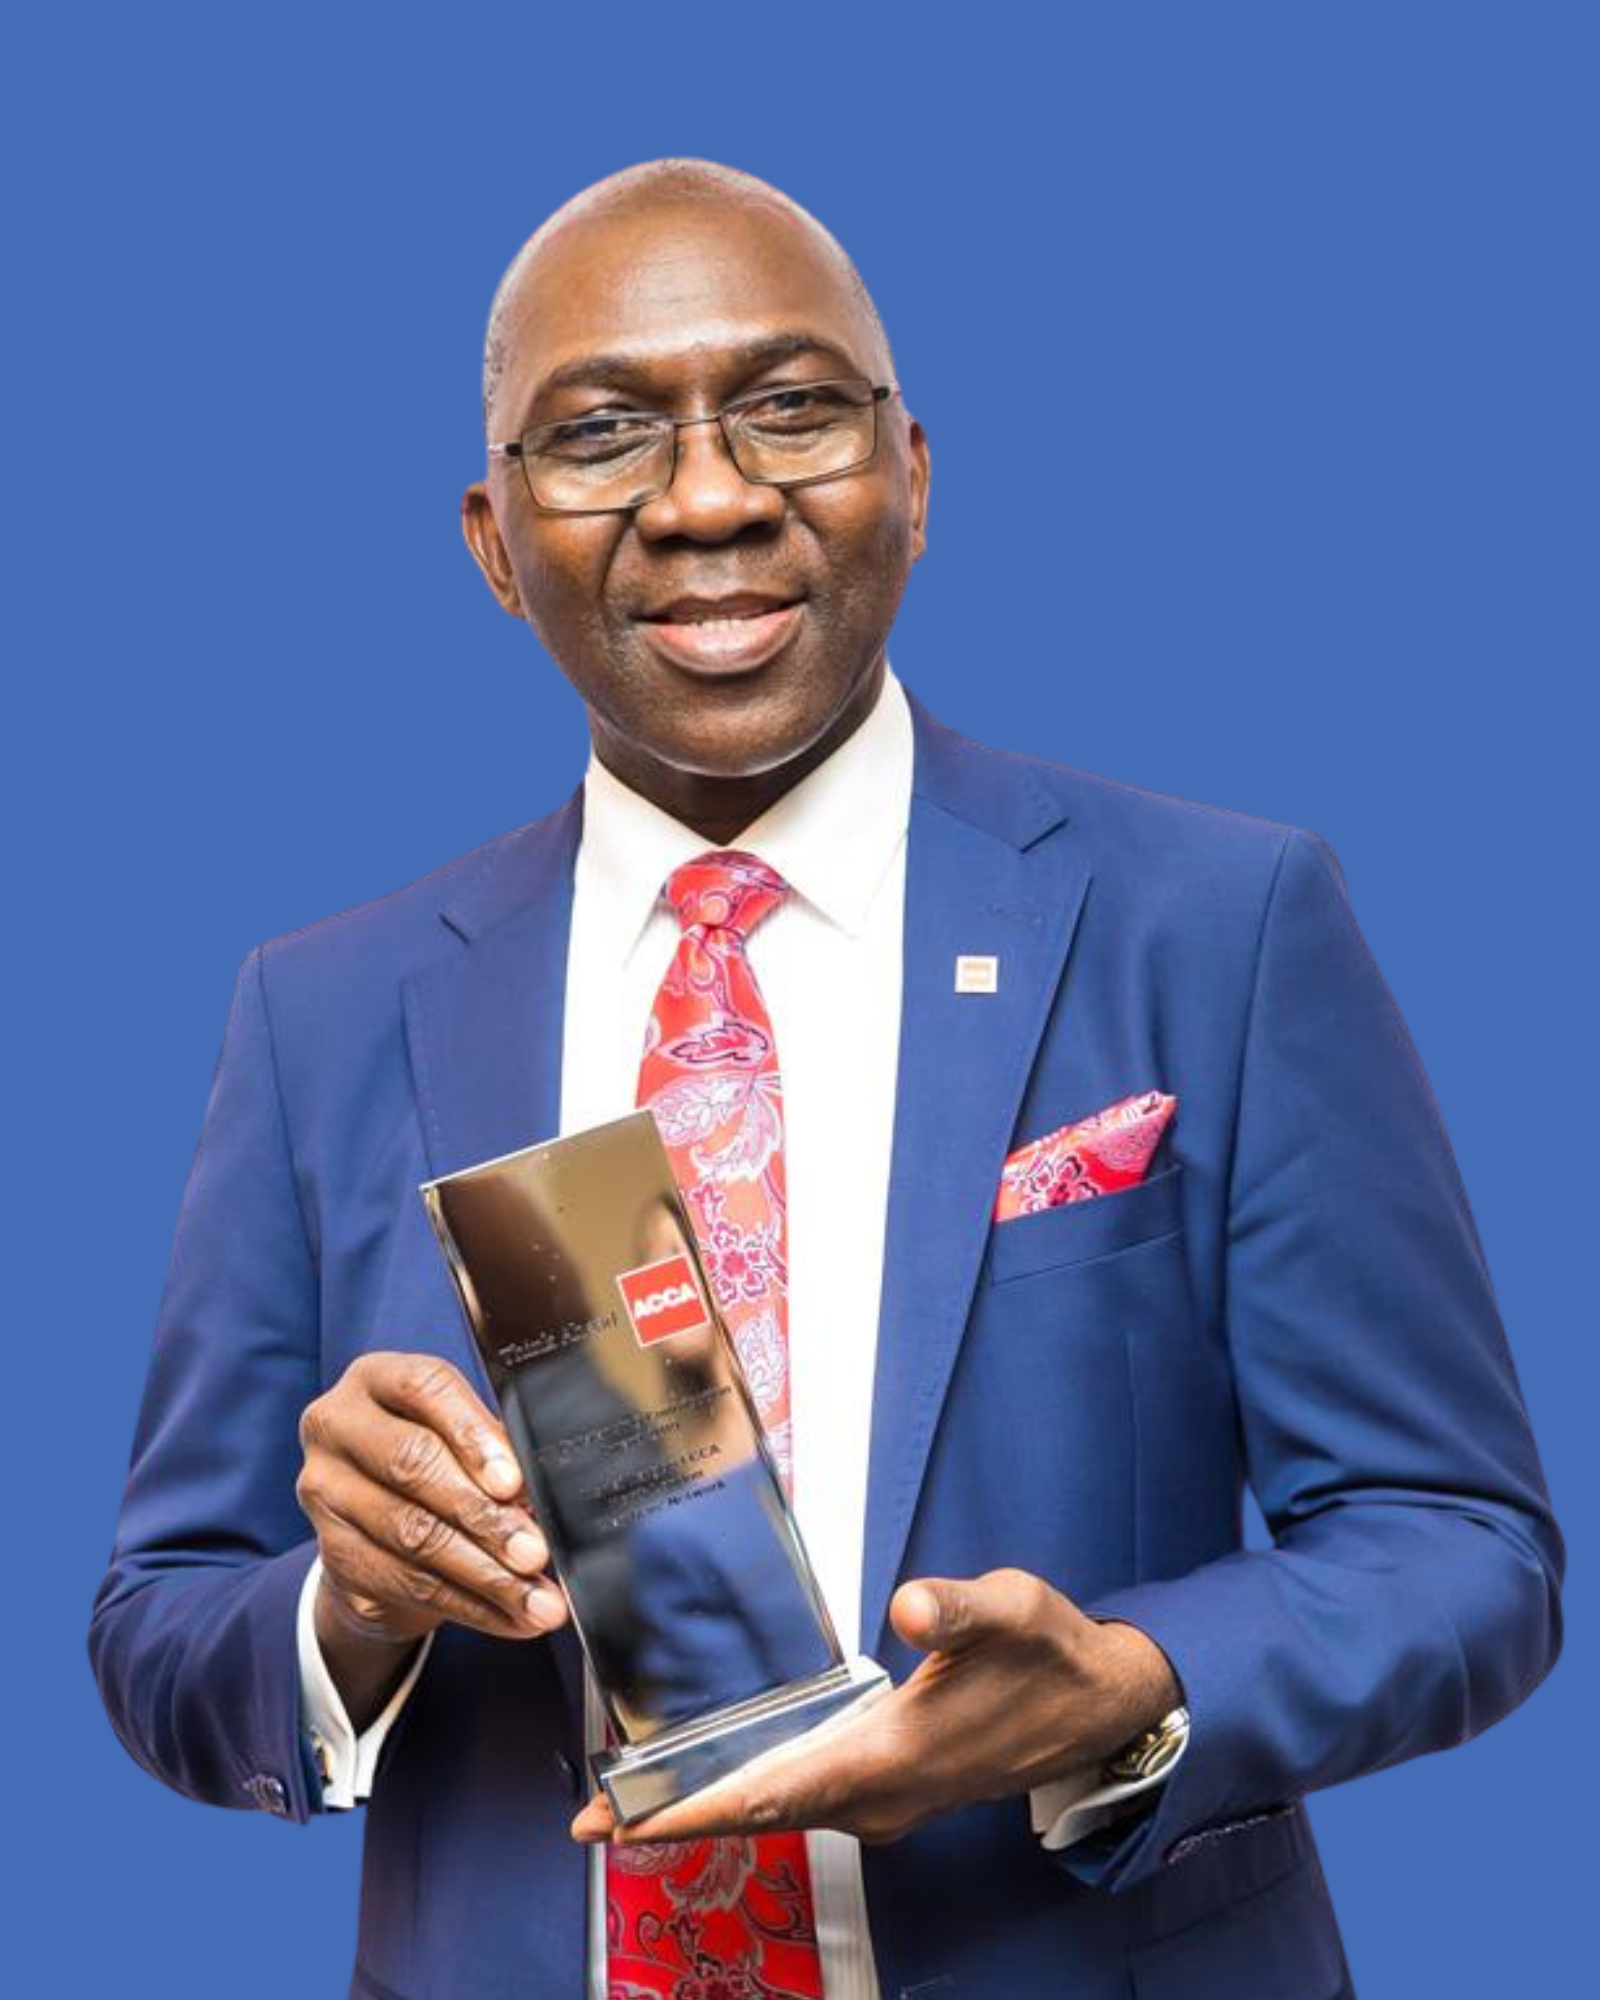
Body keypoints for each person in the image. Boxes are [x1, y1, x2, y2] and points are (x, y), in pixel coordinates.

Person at [89, 159, 1563, 2000]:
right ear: (493, 541)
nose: (709, 497)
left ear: (913, 476)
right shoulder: (323, 1011)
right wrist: (356, 1604)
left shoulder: (1219, 924)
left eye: (790, 408)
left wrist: (1128, 1690)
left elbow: (1460, 1548)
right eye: (601, 434)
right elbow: (160, 1628)